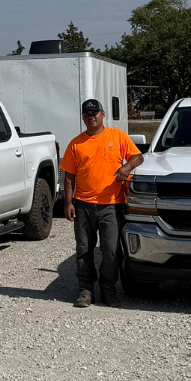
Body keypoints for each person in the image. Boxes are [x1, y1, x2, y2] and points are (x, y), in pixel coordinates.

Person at [61, 99, 144, 308]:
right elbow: (69, 176)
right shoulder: (75, 144)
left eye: (95, 113)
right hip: (83, 205)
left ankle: (108, 289)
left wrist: (126, 168)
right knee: (84, 249)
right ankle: (86, 290)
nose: (91, 116)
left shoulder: (117, 136)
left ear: (103, 114)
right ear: (83, 117)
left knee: (111, 250)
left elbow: (138, 157)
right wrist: (68, 203)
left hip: (112, 205)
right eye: (87, 113)